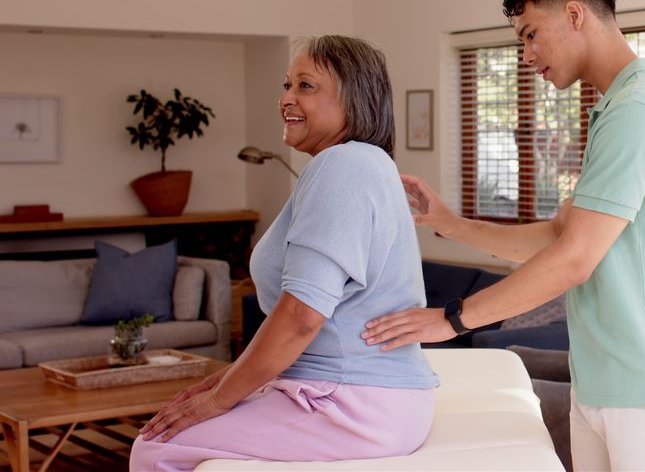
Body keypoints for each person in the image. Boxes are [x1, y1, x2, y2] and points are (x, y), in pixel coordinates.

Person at [363, 0, 645, 471]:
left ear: (575, 15)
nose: (527, 55)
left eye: (531, 34)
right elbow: (562, 234)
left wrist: (451, 320)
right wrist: (451, 224)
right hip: (606, 377)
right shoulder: (614, 108)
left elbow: (574, 259)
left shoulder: (639, 112)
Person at [130, 36, 438, 471]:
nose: (286, 98)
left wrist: (220, 399)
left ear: (354, 99)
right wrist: (230, 378)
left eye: (306, 86)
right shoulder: (365, 164)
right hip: (361, 395)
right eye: (287, 84)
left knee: (157, 447)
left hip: (354, 404)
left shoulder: (343, 166)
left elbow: (301, 316)